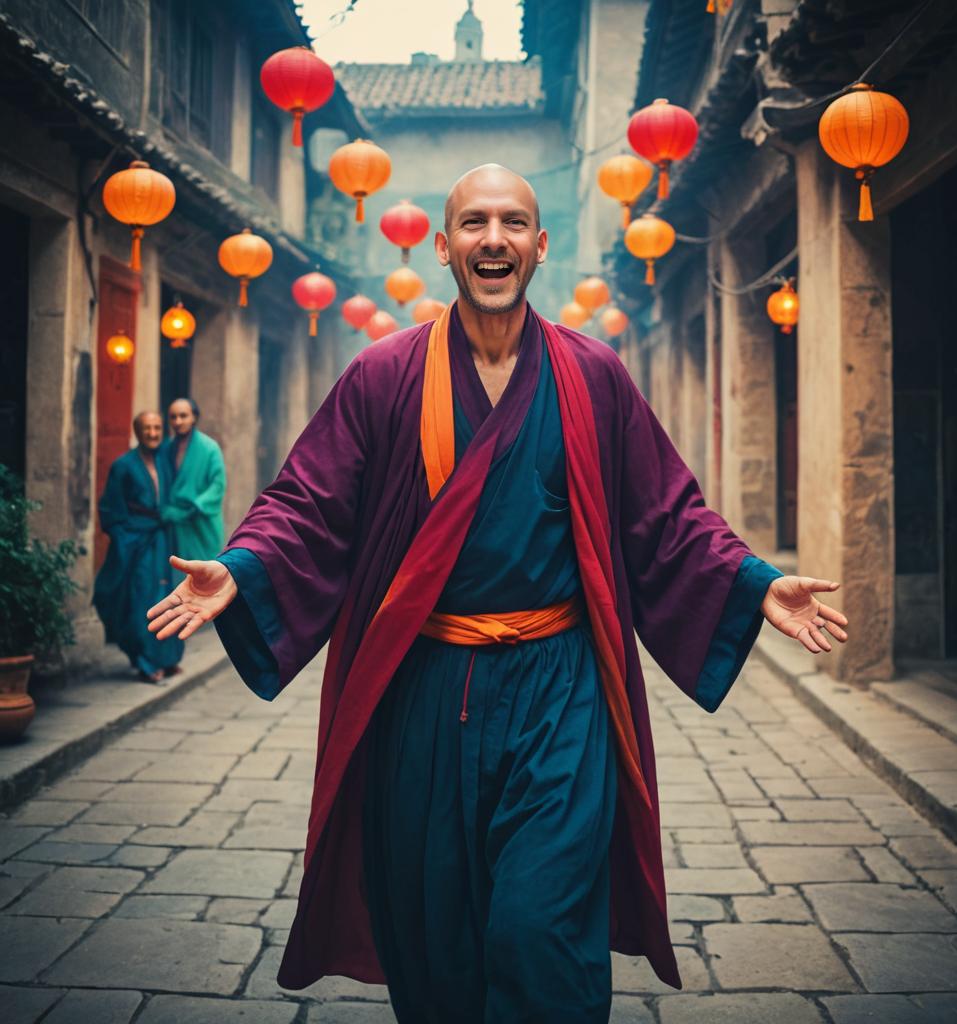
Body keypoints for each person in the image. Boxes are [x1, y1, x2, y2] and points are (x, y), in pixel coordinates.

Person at [148, 165, 850, 1023]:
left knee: (538, 931)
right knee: (433, 936)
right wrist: (247, 564)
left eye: (513, 223)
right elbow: (309, 503)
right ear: (442, 248)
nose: (493, 239)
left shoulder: (593, 376)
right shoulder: (383, 376)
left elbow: (665, 516)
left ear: (539, 246)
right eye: (473, 223)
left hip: (560, 690)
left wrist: (751, 584)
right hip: (425, 691)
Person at [94, 411, 183, 683]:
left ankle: (166, 659)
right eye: (147, 428)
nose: (153, 433)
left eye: (157, 428)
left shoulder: (165, 461)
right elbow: (110, 507)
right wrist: (123, 538)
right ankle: (145, 661)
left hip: (161, 538)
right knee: (141, 600)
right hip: (136, 539)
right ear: (137, 430)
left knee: (166, 597)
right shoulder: (123, 465)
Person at [159, 397, 226, 564]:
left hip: (201, 523)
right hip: (174, 524)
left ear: (194, 417)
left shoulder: (210, 447)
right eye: (173, 417)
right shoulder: (166, 448)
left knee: (206, 575)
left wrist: (198, 505)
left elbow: (218, 485)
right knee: (177, 573)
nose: (178, 421)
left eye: (183, 416)